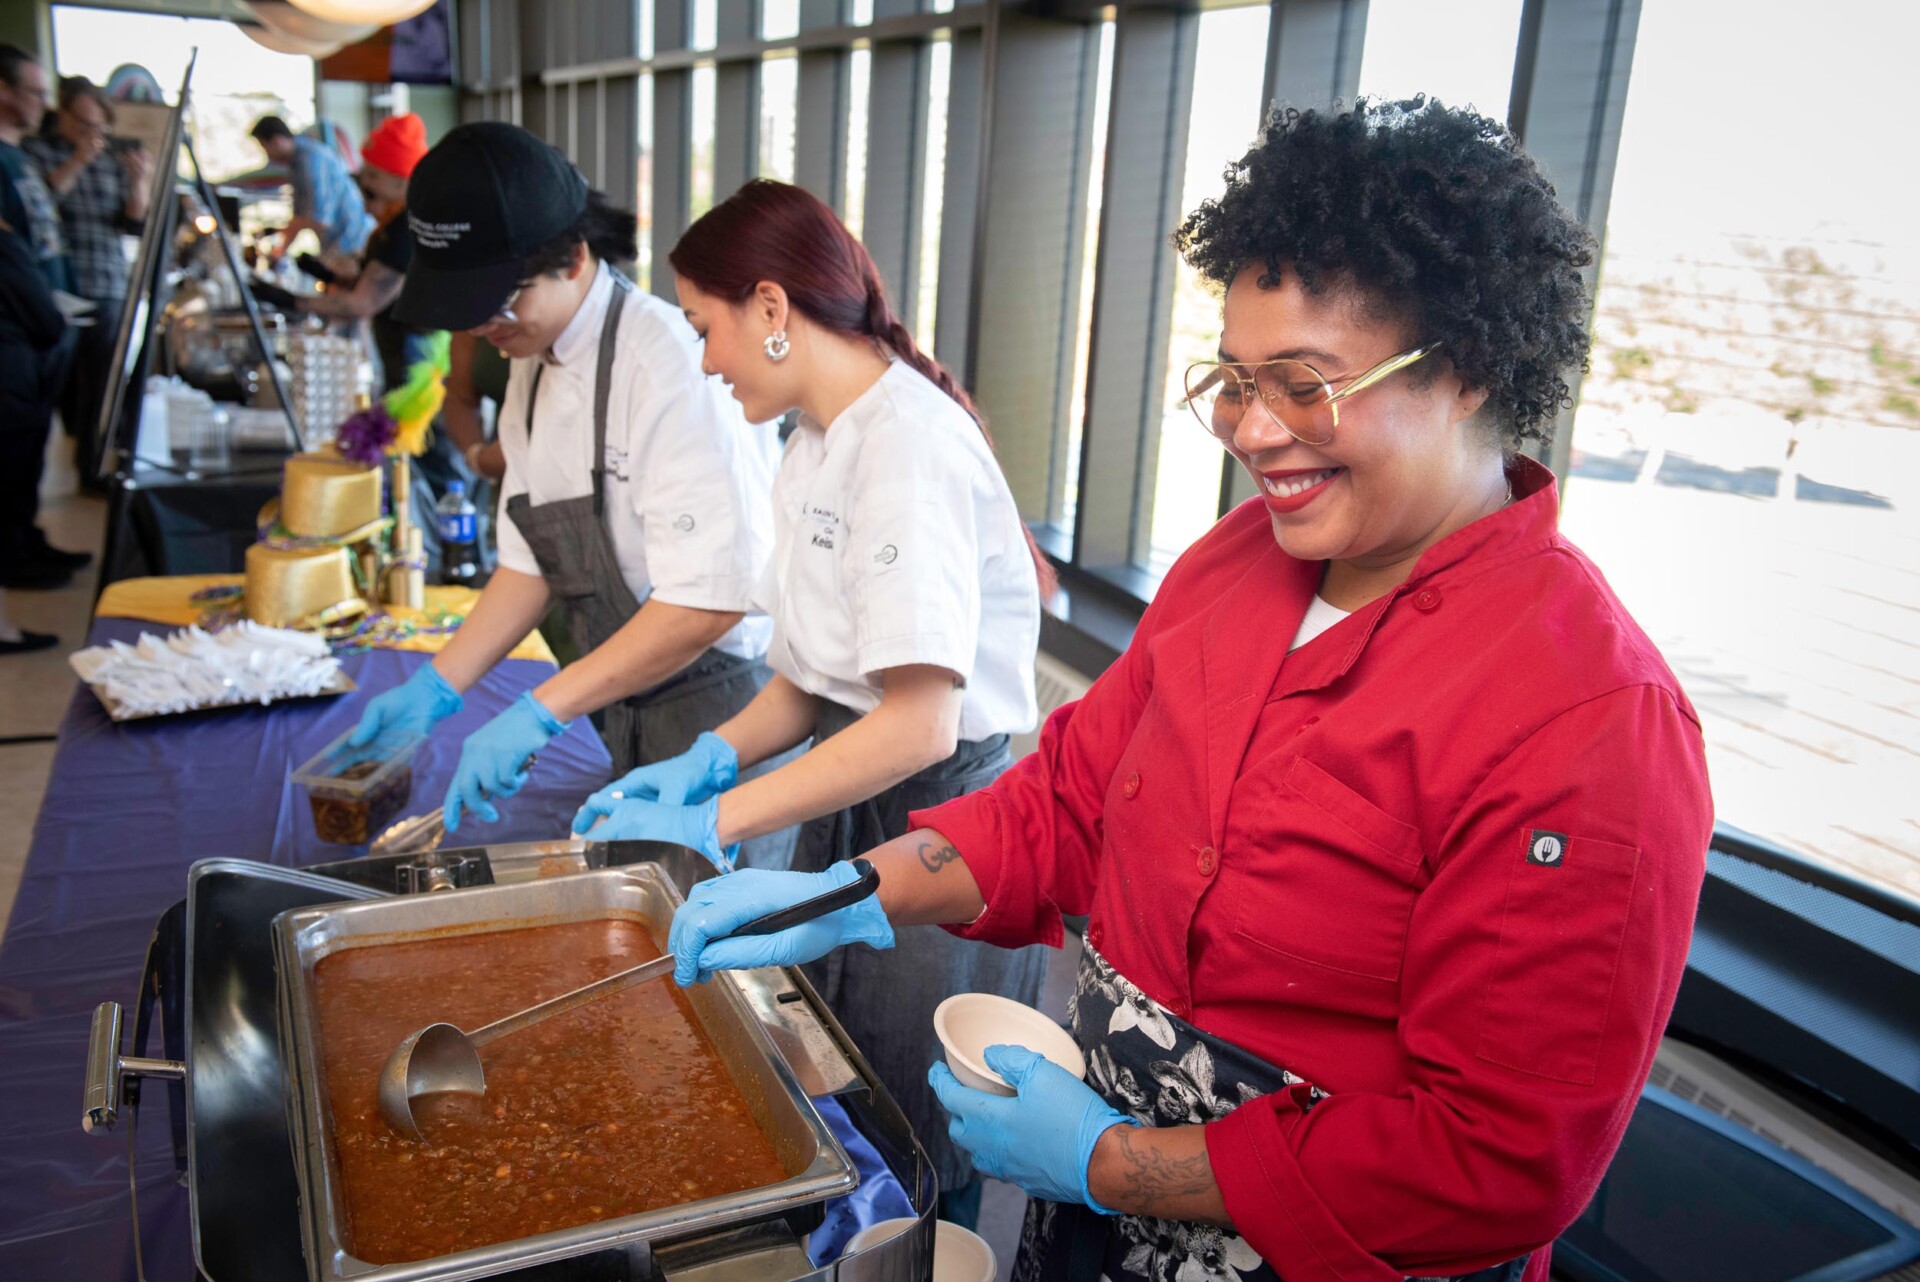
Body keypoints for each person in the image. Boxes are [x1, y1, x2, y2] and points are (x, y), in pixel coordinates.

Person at [662, 100, 1714, 1281]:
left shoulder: (1588, 716)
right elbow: (1066, 799)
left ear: (1464, 372)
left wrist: (1114, 1160)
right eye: (1231, 380)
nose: (1254, 431)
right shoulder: (1233, 567)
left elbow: (1494, 1158)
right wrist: (852, 894)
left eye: (1305, 385)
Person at [572, 179, 1053, 1227]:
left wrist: (718, 818)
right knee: (831, 1072)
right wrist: (706, 758)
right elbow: (809, 683)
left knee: (911, 1118)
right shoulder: (810, 442)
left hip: (944, 812)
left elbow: (918, 723)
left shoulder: (908, 444)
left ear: (773, 309)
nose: (703, 359)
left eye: (706, 328)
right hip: (856, 783)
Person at [351, 122, 794, 874]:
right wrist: (438, 685)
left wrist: (541, 710)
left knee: (708, 951)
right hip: (626, 704)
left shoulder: (670, 370)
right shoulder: (530, 357)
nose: (482, 330)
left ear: (576, 257)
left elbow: (708, 602)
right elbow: (531, 560)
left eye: (496, 305)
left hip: (719, 712)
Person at [24, 76, 151, 494]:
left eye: (98, 128)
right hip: (55, 287)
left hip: (108, 281)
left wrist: (138, 183)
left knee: (104, 385)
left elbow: (133, 225)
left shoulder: (113, 161)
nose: (92, 136)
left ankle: (93, 472)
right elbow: (39, 206)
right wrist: (78, 158)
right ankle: (39, 480)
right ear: (62, 115)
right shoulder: (37, 152)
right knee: (51, 386)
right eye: (83, 125)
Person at [0, 44, 87, 592]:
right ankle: (10, 557)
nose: (42, 104)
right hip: (15, 334)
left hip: (45, 328)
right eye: (33, 90)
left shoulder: (21, 157)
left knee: (28, 452)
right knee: (9, 456)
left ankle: (24, 542)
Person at [249, 114, 375, 264]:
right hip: (340, 242)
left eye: (264, 147)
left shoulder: (310, 159)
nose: (267, 155)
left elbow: (319, 219)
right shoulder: (296, 163)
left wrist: (275, 232)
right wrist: (279, 252)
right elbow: (300, 216)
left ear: (276, 140)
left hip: (352, 239)